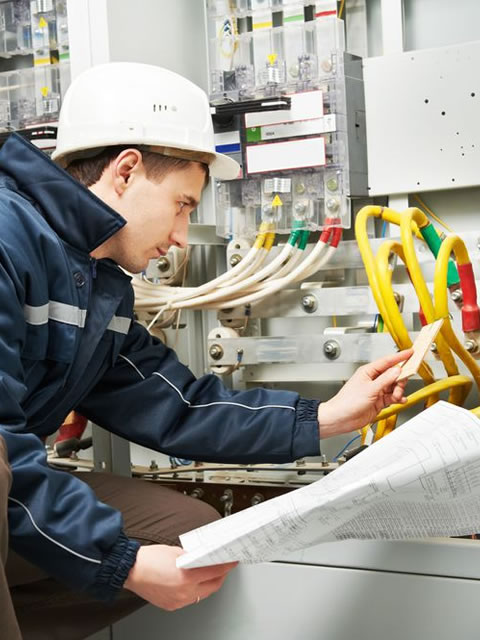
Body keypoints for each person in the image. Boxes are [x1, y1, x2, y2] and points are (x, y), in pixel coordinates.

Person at [0, 62, 411, 639]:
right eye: (184, 205)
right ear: (126, 172)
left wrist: (325, 417)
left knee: (183, 532)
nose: (179, 235)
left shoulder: (95, 280)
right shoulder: (6, 240)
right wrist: (126, 564)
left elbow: (175, 405)